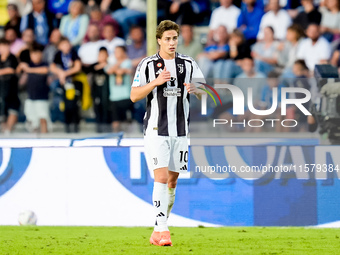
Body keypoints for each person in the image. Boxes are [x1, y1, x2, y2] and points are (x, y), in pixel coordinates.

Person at [130, 20, 205, 246]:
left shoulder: (189, 63)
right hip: (156, 130)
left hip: (181, 132)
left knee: (172, 182)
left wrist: (197, 89)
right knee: (161, 178)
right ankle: (163, 231)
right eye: (168, 39)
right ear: (159, 40)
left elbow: (206, 92)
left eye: (175, 38)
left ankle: (157, 229)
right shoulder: (147, 64)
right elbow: (134, 95)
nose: (172, 43)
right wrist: (155, 82)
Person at [50, 37, 82, 133]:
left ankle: (76, 126)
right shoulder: (58, 54)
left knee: (74, 105)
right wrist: (60, 73)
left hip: (73, 81)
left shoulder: (73, 53)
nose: (66, 46)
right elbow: (52, 67)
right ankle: (67, 127)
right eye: (64, 44)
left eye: (67, 44)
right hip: (64, 84)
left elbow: (77, 67)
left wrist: (65, 74)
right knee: (65, 105)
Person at [17, 43, 50, 133]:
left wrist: (28, 70)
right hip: (30, 96)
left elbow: (45, 70)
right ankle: (34, 137)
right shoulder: (29, 65)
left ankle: (45, 137)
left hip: (42, 97)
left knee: (43, 117)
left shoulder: (44, 64)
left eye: (37, 54)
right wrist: (21, 67)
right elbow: (20, 80)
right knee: (31, 119)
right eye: (33, 54)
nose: (35, 56)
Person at [106, 46, 133, 132]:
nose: (117, 53)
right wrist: (118, 63)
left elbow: (125, 71)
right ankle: (116, 137)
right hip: (114, 97)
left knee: (126, 120)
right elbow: (109, 71)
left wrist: (119, 68)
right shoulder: (111, 63)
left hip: (125, 95)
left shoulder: (128, 62)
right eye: (115, 51)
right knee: (115, 120)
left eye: (119, 51)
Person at [0, 38, 20, 134]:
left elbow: (12, 70)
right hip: (1, 89)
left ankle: (9, 130)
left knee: (12, 109)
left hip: (11, 88)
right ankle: (4, 130)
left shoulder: (12, 58)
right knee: (2, 112)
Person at [89, 47, 111, 133]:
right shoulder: (94, 66)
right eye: (100, 55)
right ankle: (99, 131)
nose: (102, 57)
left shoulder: (110, 66)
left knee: (107, 112)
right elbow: (90, 69)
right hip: (96, 94)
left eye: (104, 55)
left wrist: (106, 65)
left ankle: (107, 132)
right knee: (98, 112)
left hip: (107, 94)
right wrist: (102, 65)